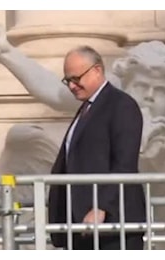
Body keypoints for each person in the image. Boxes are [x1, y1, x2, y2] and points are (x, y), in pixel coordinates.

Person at [44, 45, 146, 250]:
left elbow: (125, 164)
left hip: (111, 225)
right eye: (68, 81)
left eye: (76, 78)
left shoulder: (121, 105)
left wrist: (102, 207)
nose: (72, 86)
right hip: (83, 225)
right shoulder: (87, 109)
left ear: (97, 70)